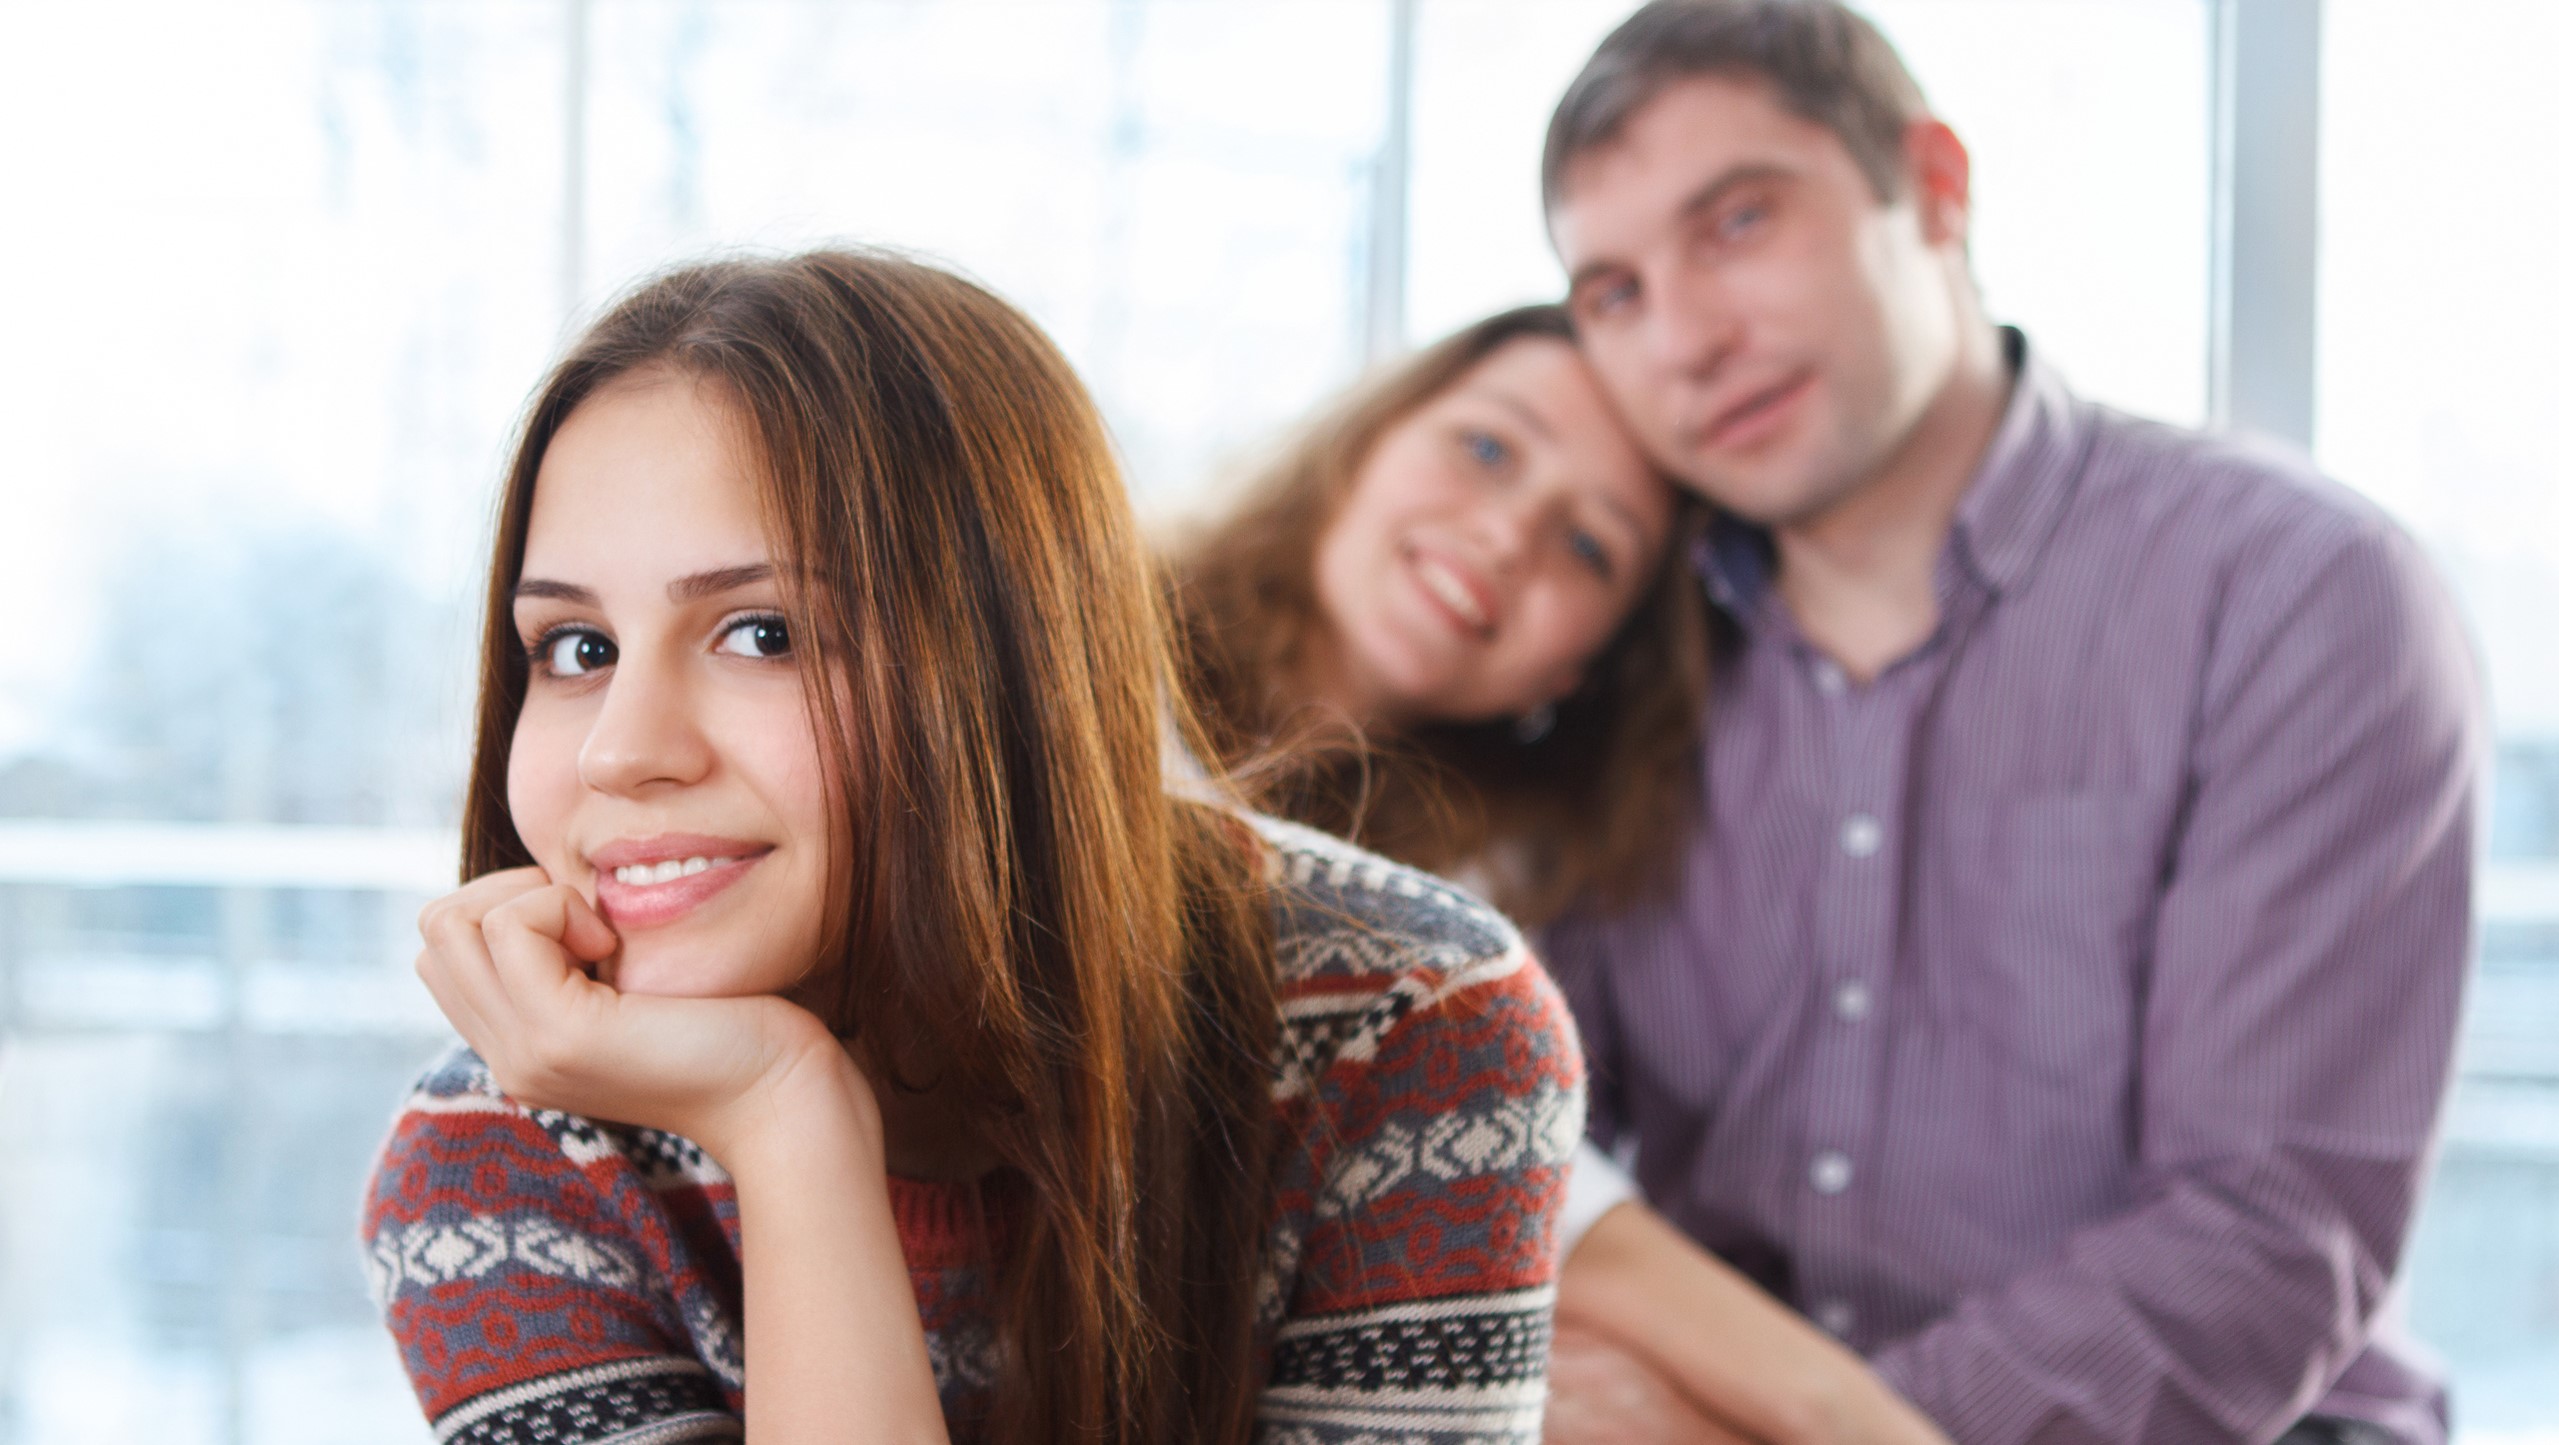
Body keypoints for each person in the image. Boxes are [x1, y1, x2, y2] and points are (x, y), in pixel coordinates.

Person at [358, 250, 1585, 1445]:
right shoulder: (493, 1164)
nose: (619, 754)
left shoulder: (1412, 1022)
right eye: (576, 648)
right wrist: (786, 1115)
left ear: (1007, 664)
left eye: (763, 631)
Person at [1529, 4, 2481, 1445]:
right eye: (1611, 292)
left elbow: (2266, 1231)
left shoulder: (2292, 592)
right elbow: (1529, 1134)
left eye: (1735, 224)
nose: (1684, 340)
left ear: (1933, 187)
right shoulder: (1607, 648)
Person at [1171, 303, 1708, 929]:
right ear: (1369, 437)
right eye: (1486, 449)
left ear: (1584, 671)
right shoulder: (1073, 626)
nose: (1509, 535)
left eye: (1588, 546)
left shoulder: (1483, 922)